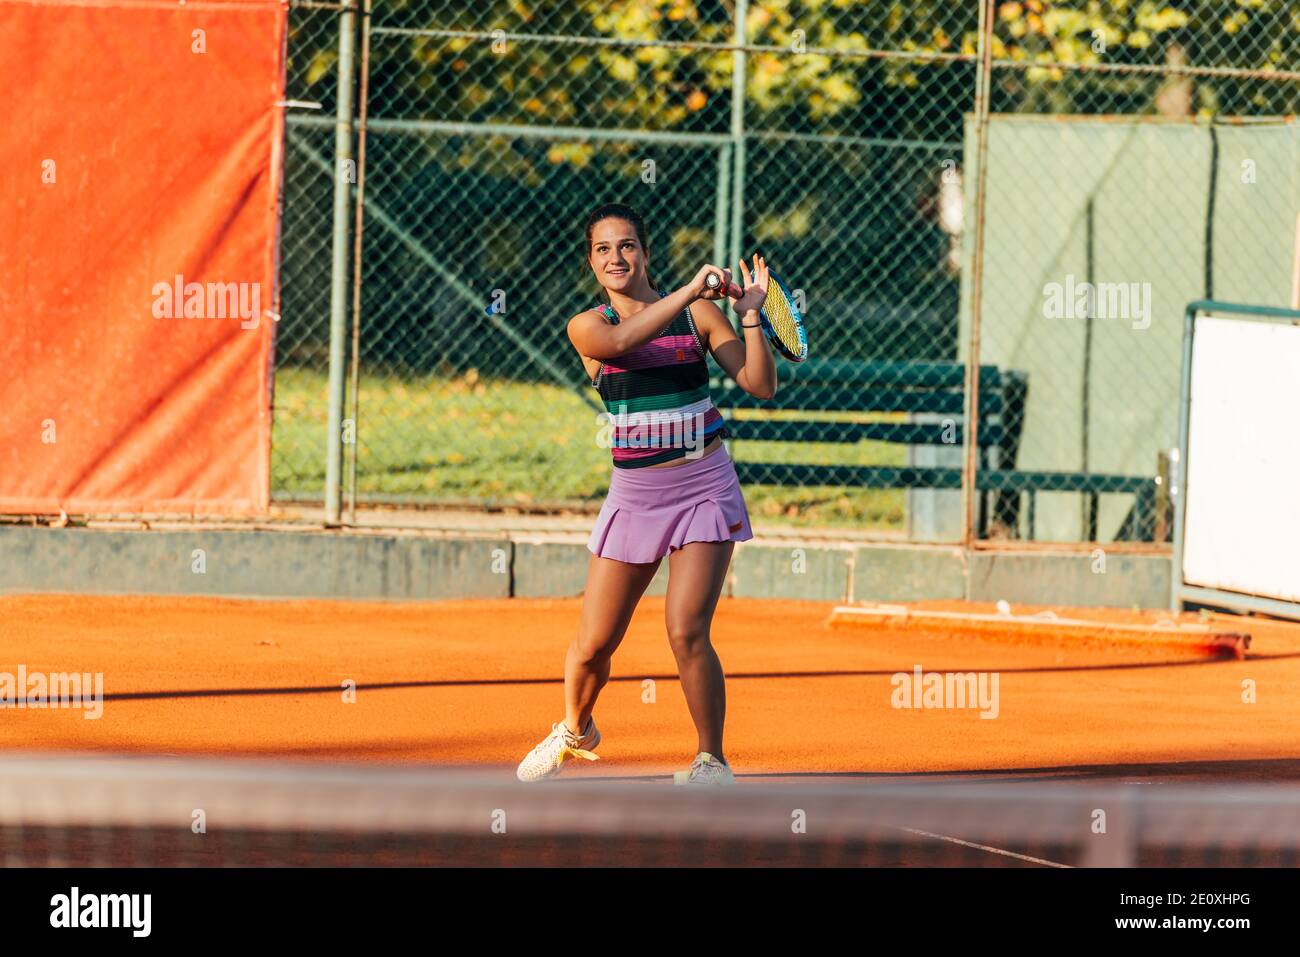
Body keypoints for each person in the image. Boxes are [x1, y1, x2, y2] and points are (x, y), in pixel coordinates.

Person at [516, 202, 776, 786]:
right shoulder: (589, 325)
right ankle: (576, 728)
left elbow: (759, 384)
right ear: (590, 260)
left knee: (687, 629)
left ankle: (711, 758)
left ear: (645, 252)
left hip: (705, 486)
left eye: (627, 245)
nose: (616, 257)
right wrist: (688, 291)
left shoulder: (703, 316)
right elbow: (621, 344)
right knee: (593, 645)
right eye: (604, 249)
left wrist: (751, 316)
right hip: (634, 497)